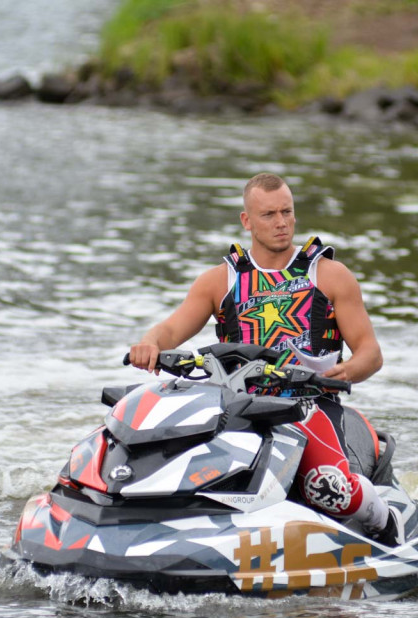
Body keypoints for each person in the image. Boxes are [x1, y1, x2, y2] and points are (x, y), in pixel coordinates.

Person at [128, 172, 402, 545]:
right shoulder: (218, 281)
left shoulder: (330, 276)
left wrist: (346, 371)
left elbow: (371, 353)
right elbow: (171, 330)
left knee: (329, 490)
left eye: (286, 212)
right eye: (269, 214)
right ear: (247, 221)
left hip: (307, 407)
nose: (281, 222)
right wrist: (149, 343)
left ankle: (385, 520)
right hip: (236, 407)